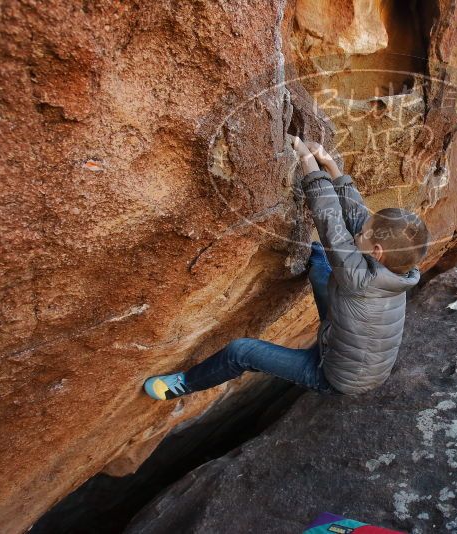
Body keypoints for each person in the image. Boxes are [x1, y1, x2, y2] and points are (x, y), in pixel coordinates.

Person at [143, 136, 429, 399]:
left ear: (377, 254)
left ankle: (182, 385)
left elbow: (332, 224)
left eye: (364, 236)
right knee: (320, 265)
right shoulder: (397, 270)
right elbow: (357, 219)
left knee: (241, 351)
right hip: (352, 349)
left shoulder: (361, 279)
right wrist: (329, 162)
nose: (358, 234)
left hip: (336, 375)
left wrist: (307, 162)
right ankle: (326, 308)